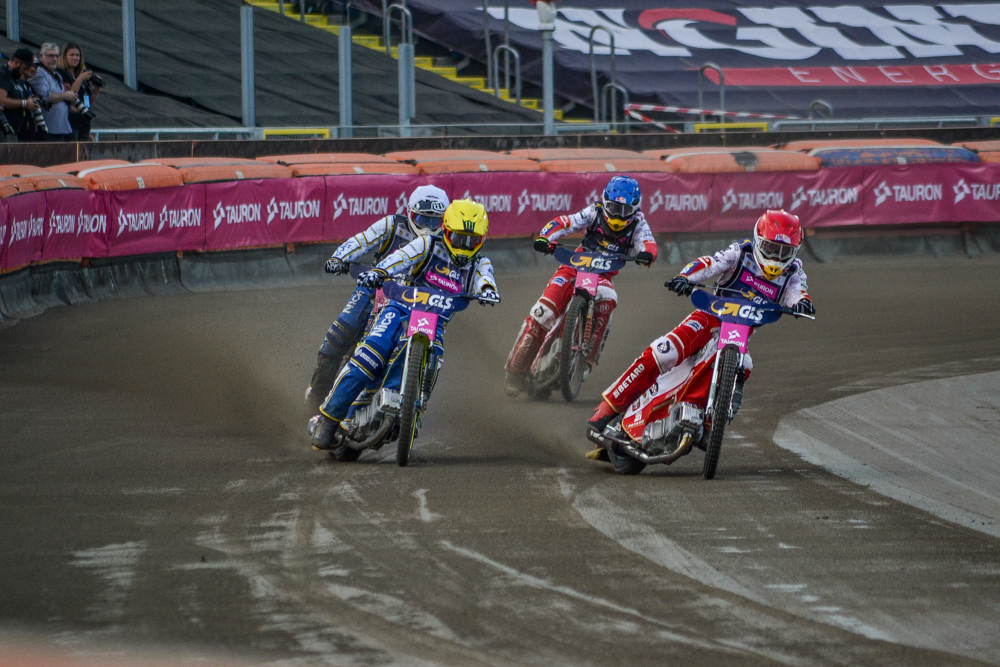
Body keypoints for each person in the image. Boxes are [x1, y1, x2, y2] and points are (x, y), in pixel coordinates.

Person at [587, 209, 816, 435]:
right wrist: (685, 277)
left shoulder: (794, 272)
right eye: (771, 248)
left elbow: (798, 291)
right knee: (664, 350)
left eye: (784, 252)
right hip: (709, 317)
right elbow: (710, 263)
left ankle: (709, 424)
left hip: (739, 335)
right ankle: (609, 407)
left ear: (794, 252)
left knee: (744, 365)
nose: (776, 257)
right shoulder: (740, 252)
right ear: (758, 240)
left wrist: (801, 303)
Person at [311, 199, 500, 450]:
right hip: (399, 308)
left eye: (471, 240)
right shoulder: (427, 244)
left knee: (433, 362)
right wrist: (379, 272)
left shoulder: (480, 263)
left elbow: (485, 279)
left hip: (432, 323)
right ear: (446, 230)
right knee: (368, 356)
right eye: (458, 237)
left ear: (482, 240)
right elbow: (400, 258)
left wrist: (487, 290)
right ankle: (328, 420)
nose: (464, 247)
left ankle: (413, 409)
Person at [503, 175, 657, 396]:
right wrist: (545, 237)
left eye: (623, 211)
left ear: (634, 209)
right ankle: (515, 372)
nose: (616, 215)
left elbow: (649, 243)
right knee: (542, 312)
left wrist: (646, 255)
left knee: (608, 299)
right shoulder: (593, 212)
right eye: (613, 207)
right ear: (604, 202)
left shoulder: (639, 224)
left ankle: (585, 359)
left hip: (604, 275)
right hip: (574, 267)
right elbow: (566, 222)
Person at [305, 184, 451, 406]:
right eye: (423, 220)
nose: (429, 227)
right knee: (340, 333)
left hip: (414, 301)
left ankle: (412, 397)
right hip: (375, 288)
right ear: (410, 214)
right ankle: (317, 393)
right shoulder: (393, 225)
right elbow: (362, 241)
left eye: (435, 221)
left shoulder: (449, 244)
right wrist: (339, 258)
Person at [29, 42, 77, 141]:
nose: (54, 59)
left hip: (61, 127)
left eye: (56, 56)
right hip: (47, 129)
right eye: (50, 56)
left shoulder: (56, 74)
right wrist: (65, 96)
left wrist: (69, 101)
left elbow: (59, 95)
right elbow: (45, 96)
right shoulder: (38, 72)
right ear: (41, 56)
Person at [58, 43, 101, 142]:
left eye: (77, 55)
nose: (75, 58)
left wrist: (96, 90)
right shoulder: (61, 74)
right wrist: (80, 79)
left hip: (84, 124)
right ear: (64, 57)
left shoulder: (82, 75)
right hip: (70, 123)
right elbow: (71, 94)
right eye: (71, 55)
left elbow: (88, 102)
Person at [0, 48, 41, 142]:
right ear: (17, 63)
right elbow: (2, 100)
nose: (24, 72)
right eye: (24, 68)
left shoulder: (16, 78)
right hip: (4, 129)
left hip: (16, 129)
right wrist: (25, 103)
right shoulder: (3, 74)